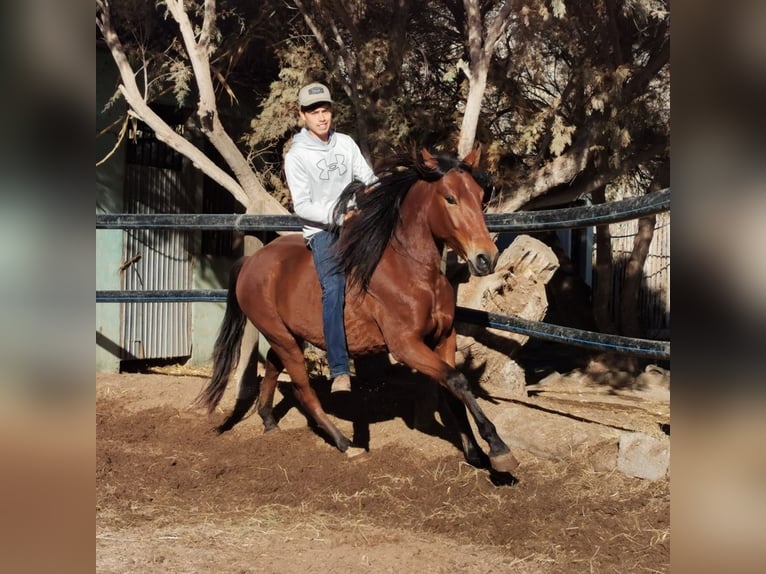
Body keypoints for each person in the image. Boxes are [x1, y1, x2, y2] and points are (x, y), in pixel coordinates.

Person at [284, 82, 376, 393]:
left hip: (355, 223)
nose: (322, 117)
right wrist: (339, 216)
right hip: (322, 231)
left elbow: (368, 177)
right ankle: (339, 369)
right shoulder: (296, 155)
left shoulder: (346, 143)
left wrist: (377, 197)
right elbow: (303, 205)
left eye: (325, 111)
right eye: (314, 112)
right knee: (334, 287)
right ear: (302, 116)